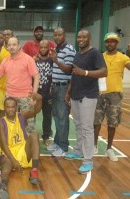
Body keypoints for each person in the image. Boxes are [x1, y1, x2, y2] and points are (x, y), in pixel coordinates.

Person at [65, 29, 107, 174]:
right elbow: (75, 75)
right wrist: (69, 91)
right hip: (75, 95)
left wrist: (86, 73)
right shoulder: (77, 54)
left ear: (89, 38)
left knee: (87, 128)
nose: (80, 39)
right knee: (78, 125)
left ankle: (88, 160)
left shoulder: (95, 53)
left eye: (84, 37)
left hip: (88, 96)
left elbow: (104, 71)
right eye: (79, 37)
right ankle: (78, 151)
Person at [0, 93, 42, 198]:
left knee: (34, 135)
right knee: (6, 167)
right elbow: (3, 146)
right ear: (4, 108)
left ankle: (34, 171)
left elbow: (36, 111)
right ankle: (2, 187)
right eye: (8, 107)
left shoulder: (22, 115)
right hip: (8, 152)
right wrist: (14, 161)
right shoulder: (1, 122)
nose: (10, 109)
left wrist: (39, 100)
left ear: (16, 107)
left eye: (13, 107)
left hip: (22, 151)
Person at [94, 33, 130, 161]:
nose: (110, 44)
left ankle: (109, 148)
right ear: (105, 43)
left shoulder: (123, 57)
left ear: (117, 43)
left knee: (112, 123)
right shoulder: (100, 56)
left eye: (113, 41)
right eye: (108, 41)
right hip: (100, 93)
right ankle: (94, 146)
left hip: (115, 95)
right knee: (96, 121)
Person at [47, 27, 76, 156]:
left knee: (63, 117)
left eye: (60, 35)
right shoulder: (57, 49)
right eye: (55, 35)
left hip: (64, 87)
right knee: (57, 116)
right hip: (55, 87)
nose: (57, 37)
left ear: (64, 35)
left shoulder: (69, 49)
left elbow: (69, 70)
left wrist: (56, 60)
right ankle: (58, 142)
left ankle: (63, 147)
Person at [35, 40, 53, 146]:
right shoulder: (34, 60)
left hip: (48, 93)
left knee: (47, 116)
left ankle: (46, 136)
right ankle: (30, 134)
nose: (43, 49)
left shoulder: (52, 60)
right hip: (37, 92)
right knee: (32, 115)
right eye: (41, 47)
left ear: (48, 48)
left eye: (45, 47)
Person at [0, 29, 13, 118]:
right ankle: (1, 130)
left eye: (8, 34)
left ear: (12, 36)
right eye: (4, 35)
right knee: (1, 112)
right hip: (1, 87)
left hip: (14, 87)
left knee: (12, 112)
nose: (6, 36)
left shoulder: (18, 51)